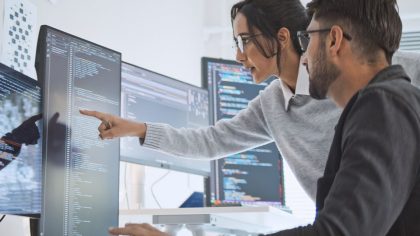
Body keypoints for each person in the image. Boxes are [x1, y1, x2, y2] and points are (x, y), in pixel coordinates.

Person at [79, 0, 420, 234]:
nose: (239, 56)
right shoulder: (273, 104)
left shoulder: (383, 89)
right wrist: (138, 130)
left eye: (245, 41)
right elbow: (210, 140)